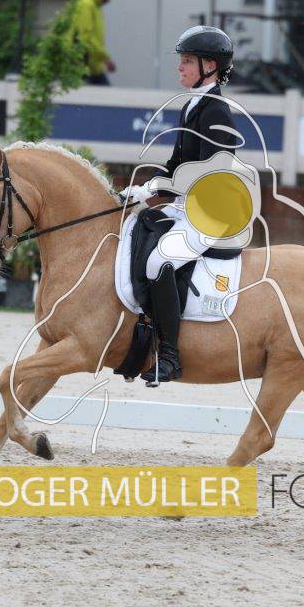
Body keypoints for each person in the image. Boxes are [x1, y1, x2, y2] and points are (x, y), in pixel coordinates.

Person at [120, 25, 239, 384]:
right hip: (189, 206)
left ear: (210, 66)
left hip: (211, 212)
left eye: (187, 61)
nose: (180, 67)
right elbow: (177, 164)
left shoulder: (216, 111)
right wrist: (143, 189)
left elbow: (212, 169)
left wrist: (159, 187)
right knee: (137, 231)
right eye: (182, 60)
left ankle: (170, 356)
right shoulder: (192, 105)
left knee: (160, 261)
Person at [72, 0, 116, 85]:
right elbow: (85, 38)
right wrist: (104, 57)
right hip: (84, 67)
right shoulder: (87, 5)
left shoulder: (95, 6)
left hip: (93, 67)